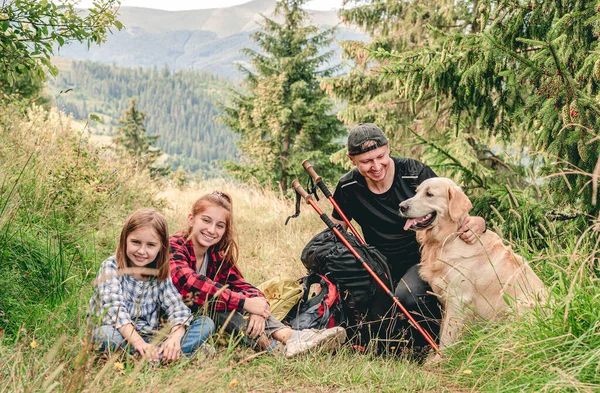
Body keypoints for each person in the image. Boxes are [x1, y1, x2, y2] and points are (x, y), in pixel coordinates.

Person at [330, 123, 486, 352]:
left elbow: (453, 210)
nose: (376, 166)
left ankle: (430, 342)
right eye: (366, 161)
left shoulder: (415, 172)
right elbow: (335, 232)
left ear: (388, 147)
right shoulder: (348, 186)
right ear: (351, 160)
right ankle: (392, 341)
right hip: (378, 263)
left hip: (421, 259)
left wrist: (480, 223)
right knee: (366, 305)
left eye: (380, 156)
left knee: (407, 296)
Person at [169, 191, 347, 358]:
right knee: (216, 304)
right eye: (206, 221)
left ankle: (292, 338)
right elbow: (190, 284)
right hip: (170, 318)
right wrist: (246, 303)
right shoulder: (175, 246)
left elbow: (242, 285)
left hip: (197, 316)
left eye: (219, 225)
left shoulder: (215, 255)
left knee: (227, 300)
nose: (212, 230)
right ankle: (282, 342)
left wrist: (258, 309)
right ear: (191, 219)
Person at [88, 208, 215, 362]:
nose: (142, 251)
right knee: (104, 336)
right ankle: (170, 355)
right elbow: (116, 312)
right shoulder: (111, 266)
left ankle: (158, 353)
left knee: (205, 324)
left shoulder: (158, 271)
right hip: (118, 332)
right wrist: (138, 342)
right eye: (135, 242)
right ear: (124, 240)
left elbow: (177, 307)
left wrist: (175, 337)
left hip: (149, 334)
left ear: (161, 247)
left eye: (151, 245)